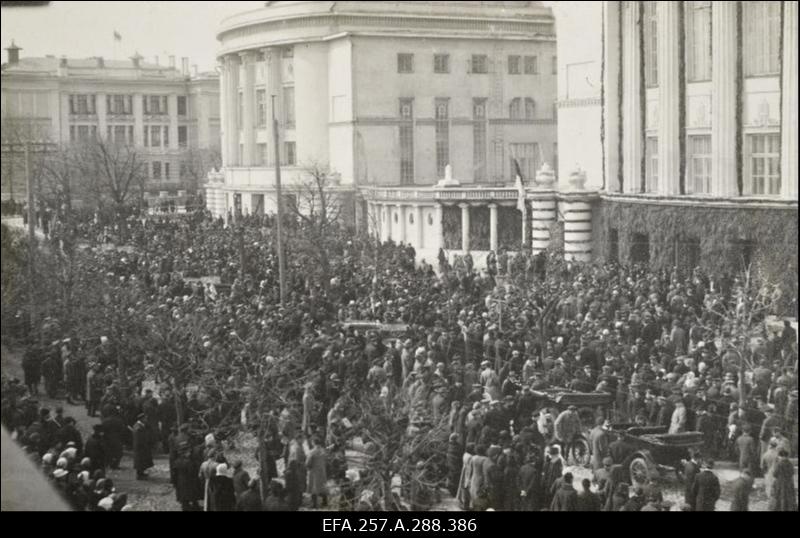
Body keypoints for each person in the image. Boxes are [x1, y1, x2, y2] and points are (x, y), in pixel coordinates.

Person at [306, 437, 328, 509]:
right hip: (322, 471)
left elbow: (308, 463)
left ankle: (314, 504)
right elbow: (326, 460)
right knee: (322, 486)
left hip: (314, 472)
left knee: (313, 488)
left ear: (313, 443)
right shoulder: (323, 451)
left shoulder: (312, 452)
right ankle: (325, 502)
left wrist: (308, 467)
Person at [132, 414, 153, 480]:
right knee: (140, 462)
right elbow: (139, 439)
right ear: (141, 419)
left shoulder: (138, 426)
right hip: (140, 447)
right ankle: (139, 475)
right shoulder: (138, 427)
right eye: (145, 419)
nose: (146, 420)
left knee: (142, 462)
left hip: (141, 447)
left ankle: (141, 473)